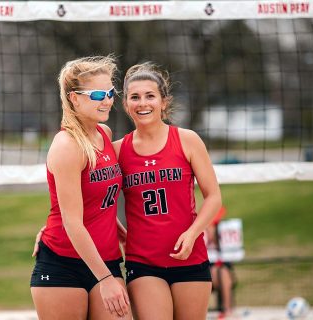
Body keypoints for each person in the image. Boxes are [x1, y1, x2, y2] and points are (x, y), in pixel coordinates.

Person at [113, 62, 222, 320]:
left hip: (190, 257)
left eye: (150, 96)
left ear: (164, 101)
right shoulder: (118, 150)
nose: (143, 103)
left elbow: (214, 197)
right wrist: (121, 234)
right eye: (134, 97)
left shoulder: (187, 140)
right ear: (127, 105)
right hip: (143, 262)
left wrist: (194, 232)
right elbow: (95, 201)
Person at [30, 56, 131, 320]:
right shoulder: (67, 145)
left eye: (110, 92)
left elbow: (98, 202)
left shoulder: (104, 134)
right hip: (64, 262)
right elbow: (72, 223)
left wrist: (116, 227)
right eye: (98, 94)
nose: (107, 100)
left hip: (105, 257)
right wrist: (107, 279)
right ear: (74, 98)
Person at [206, 206, 236, 317]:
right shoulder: (202, 232)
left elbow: (230, 259)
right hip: (207, 268)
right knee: (215, 271)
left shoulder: (225, 233)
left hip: (222, 267)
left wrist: (215, 236)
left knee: (223, 273)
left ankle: (227, 309)